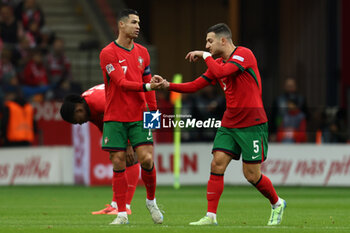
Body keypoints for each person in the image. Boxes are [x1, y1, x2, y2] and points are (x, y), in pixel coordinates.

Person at [151, 23, 286, 226]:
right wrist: (168, 85)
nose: (207, 46)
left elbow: (223, 73)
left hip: (252, 122)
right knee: (217, 163)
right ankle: (211, 216)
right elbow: (196, 85)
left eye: (209, 41)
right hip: (229, 122)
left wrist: (206, 58)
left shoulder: (244, 54)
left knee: (251, 174)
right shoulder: (218, 63)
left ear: (223, 40)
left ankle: (277, 203)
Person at [99, 9, 163, 225]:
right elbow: (121, 83)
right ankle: (122, 214)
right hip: (115, 116)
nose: (138, 26)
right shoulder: (108, 53)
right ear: (121, 25)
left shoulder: (143, 52)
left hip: (139, 115)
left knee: (146, 158)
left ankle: (151, 201)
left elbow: (150, 86)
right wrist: (147, 85)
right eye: (134, 22)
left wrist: (153, 114)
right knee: (118, 161)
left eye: (139, 22)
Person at [59, 84, 140, 215]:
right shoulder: (86, 107)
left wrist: (129, 144)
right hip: (124, 110)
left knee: (131, 158)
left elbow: (123, 112)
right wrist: (112, 145)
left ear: (78, 110)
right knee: (116, 157)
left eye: (76, 121)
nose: (79, 123)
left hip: (135, 107)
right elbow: (102, 122)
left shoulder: (98, 102)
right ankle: (115, 205)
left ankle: (125, 206)